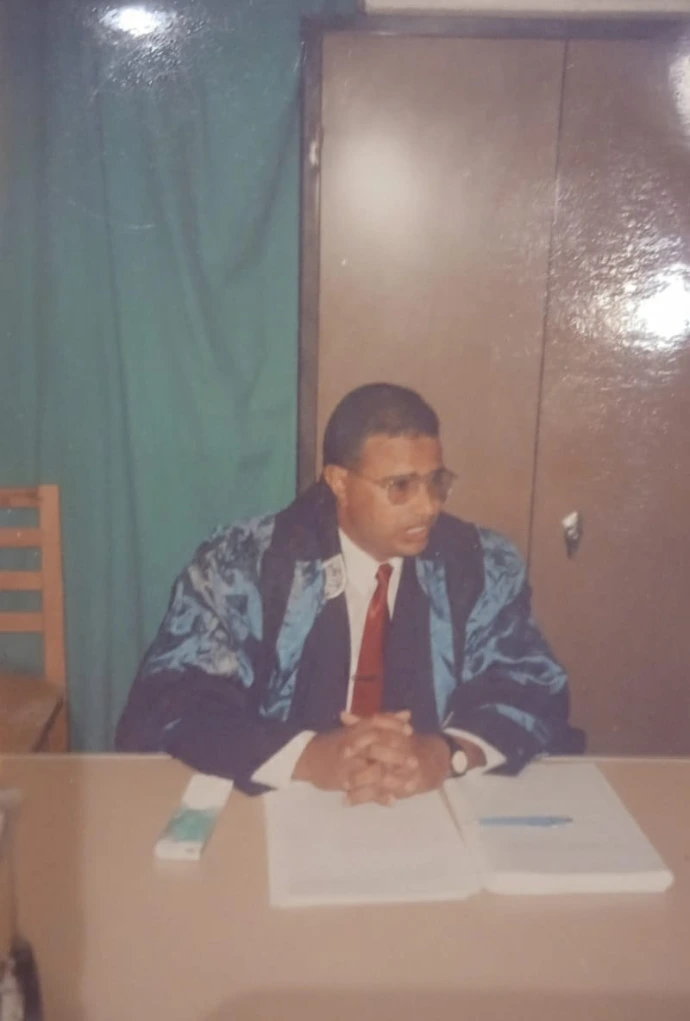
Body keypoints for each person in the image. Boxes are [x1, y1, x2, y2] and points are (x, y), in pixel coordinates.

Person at [116, 383, 573, 804]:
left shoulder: (478, 564)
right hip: (278, 803)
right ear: (339, 482)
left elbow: (531, 686)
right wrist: (308, 757)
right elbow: (175, 696)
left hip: (432, 804)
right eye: (401, 486)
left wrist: (447, 753)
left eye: (436, 481)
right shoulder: (244, 564)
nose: (428, 506)